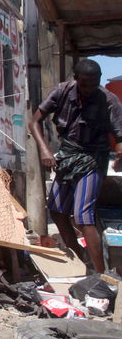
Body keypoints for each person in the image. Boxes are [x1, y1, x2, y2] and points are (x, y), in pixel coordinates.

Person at [30, 59, 122, 273]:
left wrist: (120, 154)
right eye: (84, 84)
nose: (89, 89)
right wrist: (45, 150)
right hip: (68, 156)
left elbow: (119, 135)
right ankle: (80, 262)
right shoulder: (62, 92)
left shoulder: (109, 100)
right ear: (76, 79)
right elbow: (34, 121)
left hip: (92, 159)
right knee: (57, 211)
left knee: (83, 215)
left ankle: (101, 275)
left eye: (93, 83)